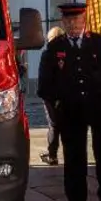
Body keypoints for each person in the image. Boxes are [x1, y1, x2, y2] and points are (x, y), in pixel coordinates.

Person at [37, 1, 101, 201]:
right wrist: (57, 103)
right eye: (68, 20)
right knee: (74, 158)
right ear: (63, 22)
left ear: (84, 20)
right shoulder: (55, 47)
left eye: (76, 20)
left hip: (98, 107)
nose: (72, 24)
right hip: (71, 110)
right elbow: (45, 84)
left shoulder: (98, 43)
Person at [39, 25, 66, 165]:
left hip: (52, 96)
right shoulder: (70, 50)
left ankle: (52, 155)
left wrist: (44, 95)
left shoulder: (48, 53)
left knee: (53, 125)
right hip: (68, 96)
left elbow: (44, 78)